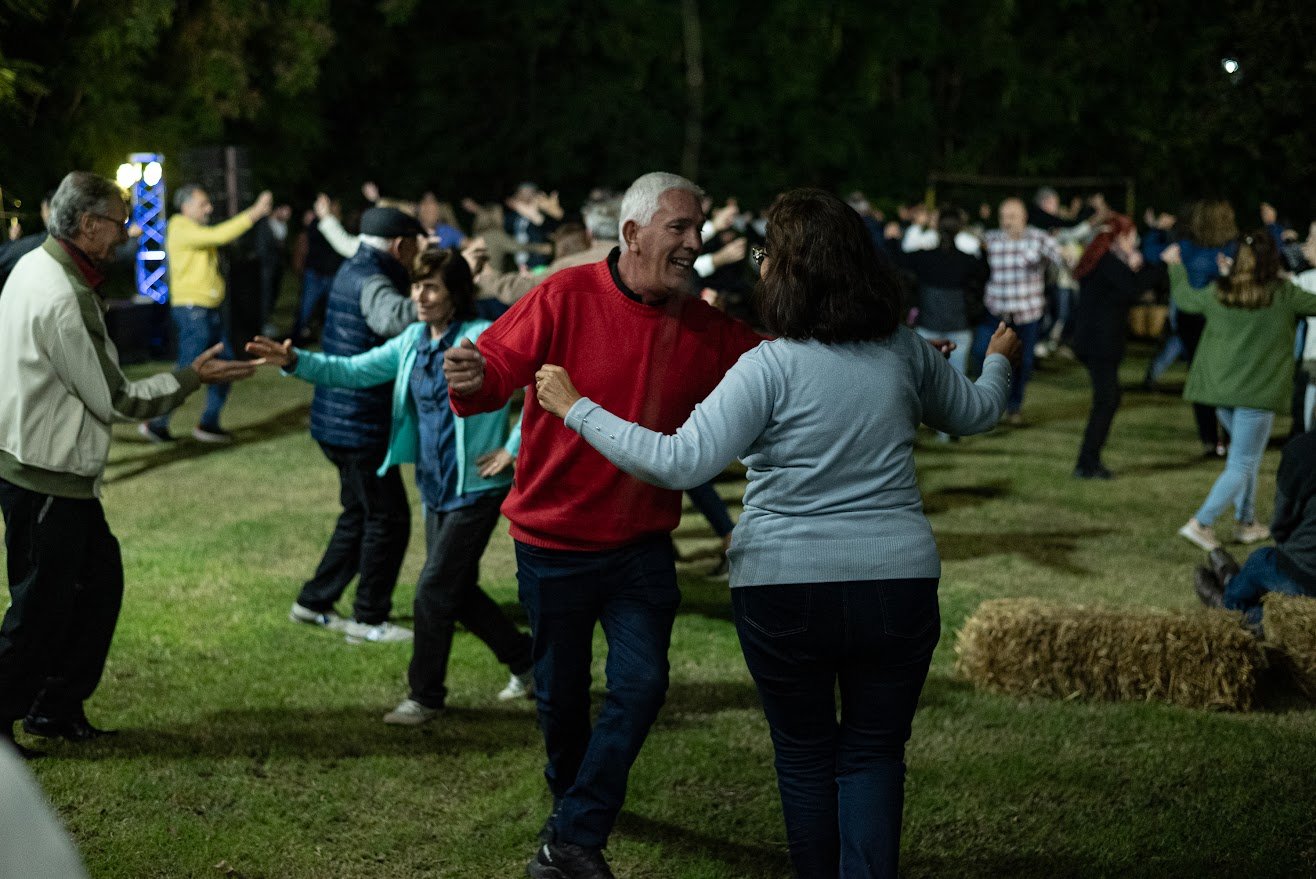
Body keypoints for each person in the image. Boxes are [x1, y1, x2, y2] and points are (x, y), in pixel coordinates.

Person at [533, 187, 1021, 879]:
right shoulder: (901, 350)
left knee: (805, 753)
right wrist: (1000, 355)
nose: (758, 265)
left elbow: (680, 460)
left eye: (767, 255)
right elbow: (975, 411)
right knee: (874, 752)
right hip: (897, 582)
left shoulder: (770, 365)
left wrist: (576, 407)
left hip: (784, 588)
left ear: (790, 272)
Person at [444, 171, 765, 879]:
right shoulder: (562, 295)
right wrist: (472, 380)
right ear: (631, 233)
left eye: (698, 226)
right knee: (560, 700)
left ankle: (573, 832)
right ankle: (575, 810)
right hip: (552, 543)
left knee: (643, 684)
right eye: (679, 227)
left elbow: (780, 361)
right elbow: (497, 363)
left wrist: (882, 354)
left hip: (642, 547)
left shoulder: (705, 323)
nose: (694, 240)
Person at [0, 171, 256, 757]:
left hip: (42, 469)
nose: (127, 232)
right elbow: (119, 397)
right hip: (45, 477)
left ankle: (54, 707)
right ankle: (11, 718)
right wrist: (194, 375)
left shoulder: (38, 266)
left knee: (94, 586)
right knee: (38, 609)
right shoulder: (62, 294)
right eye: (119, 221)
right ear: (87, 225)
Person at [248, 248, 533, 720]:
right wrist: (295, 360)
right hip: (435, 485)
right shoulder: (412, 342)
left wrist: (512, 448)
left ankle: (425, 696)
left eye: (431, 287)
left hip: (476, 490)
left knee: (432, 592)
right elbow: (353, 371)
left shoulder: (480, 337)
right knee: (456, 591)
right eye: (416, 285)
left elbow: (537, 382)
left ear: (455, 294)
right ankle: (527, 662)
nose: (419, 295)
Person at [289, 206, 427, 645]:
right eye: (415, 247)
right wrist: (440, 299)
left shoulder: (355, 266)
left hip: (339, 419)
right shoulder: (375, 278)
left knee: (359, 514)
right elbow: (390, 319)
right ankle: (368, 617)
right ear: (400, 245)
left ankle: (313, 601)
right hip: (358, 424)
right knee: (388, 519)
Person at [1168, 232, 1316, 551]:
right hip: (1256, 394)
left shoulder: (1221, 290)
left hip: (1222, 392)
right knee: (1242, 463)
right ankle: (1201, 523)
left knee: (1245, 458)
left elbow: (1186, 300)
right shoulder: (1283, 293)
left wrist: (1175, 268)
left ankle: (1246, 522)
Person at [139, 183, 273, 444]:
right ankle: (157, 423)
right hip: (192, 312)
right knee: (189, 370)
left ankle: (207, 424)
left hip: (208, 311)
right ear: (186, 207)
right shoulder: (179, 227)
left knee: (226, 366)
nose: (209, 208)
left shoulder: (193, 229)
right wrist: (255, 212)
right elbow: (220, 236)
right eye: (203, 204)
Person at [1193, 430, 1316, 626]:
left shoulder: (1304, 450)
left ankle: (1227, 603)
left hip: (1303, 575)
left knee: (1260, 562)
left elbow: (1281, 524)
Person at [1069, 214, 1149, 478]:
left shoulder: (1102, 261)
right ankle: (1087, 463)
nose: (1134, 243)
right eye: (1131, 237)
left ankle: (1088, 461)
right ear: (1120, 238)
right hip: (1099, 343)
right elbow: (1135, 287)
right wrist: (1146, 265)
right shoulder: (1108, 263)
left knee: (1108, 399)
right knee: (1107, 400)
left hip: (1097, 342)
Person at [972, 197, 1062, 424]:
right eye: (1003, 217)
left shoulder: (1039, 239)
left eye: (1011, 217)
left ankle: (1014, 407)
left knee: (1023, 362)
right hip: (996, 312)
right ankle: (989, 401)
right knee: (982, 353)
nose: (1006, 222)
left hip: (1027, 315)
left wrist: (1069, 256)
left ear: (1023, 218)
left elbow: (1060, 255)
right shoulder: (991, 239)